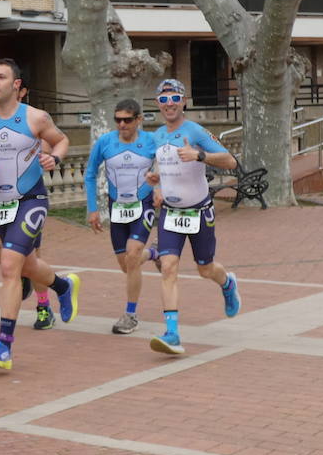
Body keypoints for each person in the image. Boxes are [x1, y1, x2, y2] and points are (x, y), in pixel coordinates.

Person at [0, 59, 79, 371]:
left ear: (16, 84)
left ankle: (3, 346)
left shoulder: (36, 117)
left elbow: (62, 140)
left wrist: (55, 157)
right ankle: (62, 286)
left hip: (31, 199)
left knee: (11, 266)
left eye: (1, 77)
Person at [145, 78, 242, 356]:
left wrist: (200, 155)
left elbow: (231, 162)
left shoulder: (196, 130)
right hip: (170, 214)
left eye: (174, 98)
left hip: (199, 212)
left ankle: (227, 283)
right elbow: (161, 168)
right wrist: (157, 182)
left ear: (184, 101)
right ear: (158, 105)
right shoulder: (157, 136)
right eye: (163, 100)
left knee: (205, 268)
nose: (169, 104)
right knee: (168, 267)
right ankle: (172, 333)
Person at [84, 98, 161, 335]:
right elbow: (89, 174)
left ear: (139, 120)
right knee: (126, 264)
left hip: (144, 204)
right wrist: (92, 208)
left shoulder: (151, 141)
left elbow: (166, 166)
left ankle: (130, 315)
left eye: (127, 120)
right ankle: (154, 253)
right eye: (118, 120)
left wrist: (160, 187)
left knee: (132, 253)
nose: (122, 124)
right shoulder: (105, 142)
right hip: (117, 207)